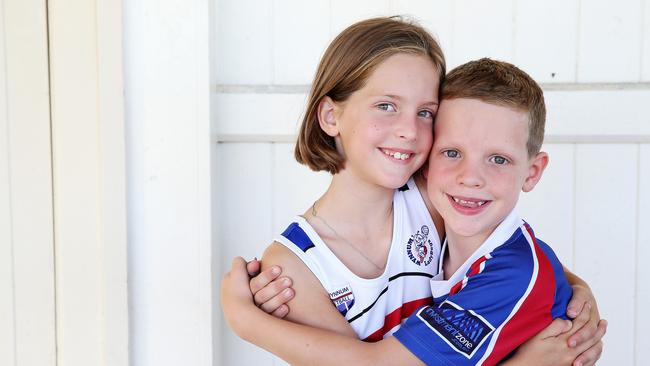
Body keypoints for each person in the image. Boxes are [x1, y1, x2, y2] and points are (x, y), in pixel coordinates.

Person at [223, 17, 606, 365]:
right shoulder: (294, 269)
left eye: (425, 112)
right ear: (330, 115)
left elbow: (517, 261)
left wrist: (573, 287)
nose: (409, 129)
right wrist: (246, 322)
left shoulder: (437, 197)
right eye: (387, 106)